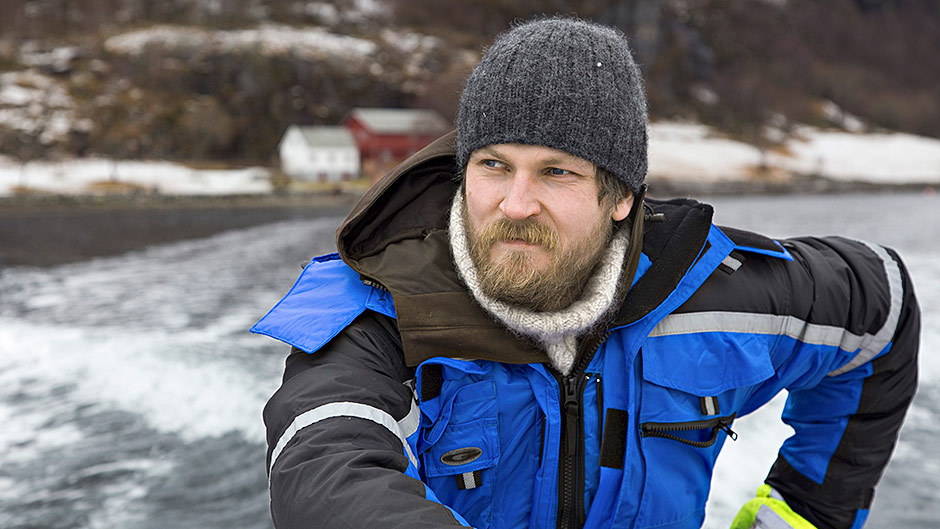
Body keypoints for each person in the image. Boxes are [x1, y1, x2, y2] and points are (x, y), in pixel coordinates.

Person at [252, 17, 919, 529]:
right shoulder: (381, 308)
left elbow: (880, 312)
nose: (515, 204)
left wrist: (802, 513)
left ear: (621, 196)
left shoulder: (721, 295)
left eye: (556, 172)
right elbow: (323, 459)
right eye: (493, 165)